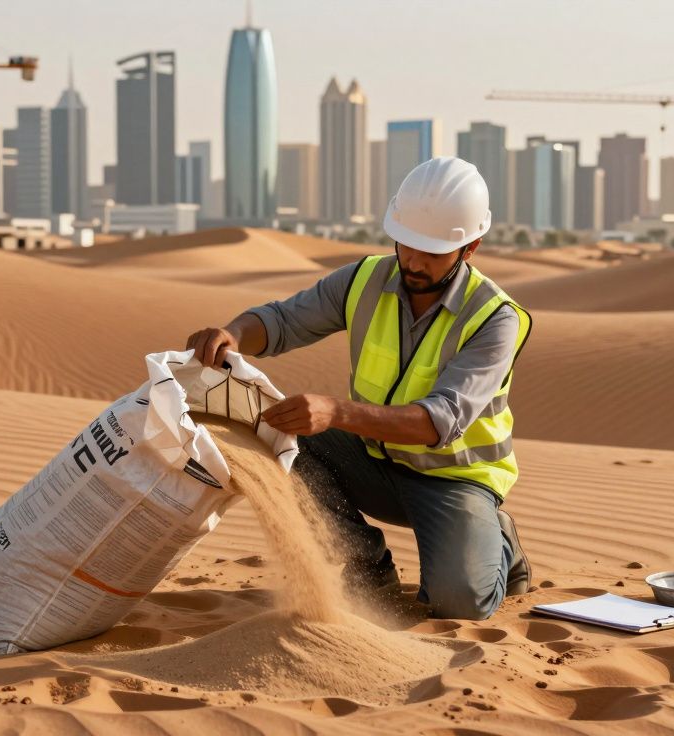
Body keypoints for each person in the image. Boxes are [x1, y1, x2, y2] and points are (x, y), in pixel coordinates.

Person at [185, 157, 532, 620]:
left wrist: (336, 412)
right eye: (406, 244)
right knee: (279, 435)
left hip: (454, 479)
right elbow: (283, 320)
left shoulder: (496, 318)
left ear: (470, 248)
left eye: (431, 251)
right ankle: (368, 570)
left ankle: (498, 536)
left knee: (458, 604)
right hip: (374, 461)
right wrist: (232, 334)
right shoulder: (364, 279)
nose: (413, 260)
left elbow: (439, 421)